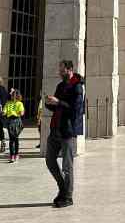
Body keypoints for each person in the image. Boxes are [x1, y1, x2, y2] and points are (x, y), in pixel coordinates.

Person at [44, 60, 85, 208]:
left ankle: (68, 197)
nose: (60, 73)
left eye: (62, 70)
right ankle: (63, 188)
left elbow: (76, 110)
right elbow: (57, 107)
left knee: (67, 166)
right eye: (59, 70)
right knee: (49, 160)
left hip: (67, 131)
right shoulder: (60, 86)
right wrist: (49, 103)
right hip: (55, 129)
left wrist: (58, 102)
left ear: (69, 69)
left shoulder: (77, 87)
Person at [3, 89, 25, 162]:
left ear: (18, 96)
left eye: (14, 95)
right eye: (12, 95)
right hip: (10, 121)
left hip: (17, 121)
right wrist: (3, 112)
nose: (13, 97)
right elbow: (4, 112)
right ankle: (12, 155)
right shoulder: (8, 103)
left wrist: (20, 112)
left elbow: (21, 113)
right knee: (11, 139)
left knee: (16, 138)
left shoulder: (20, 103)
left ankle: (16, 154)